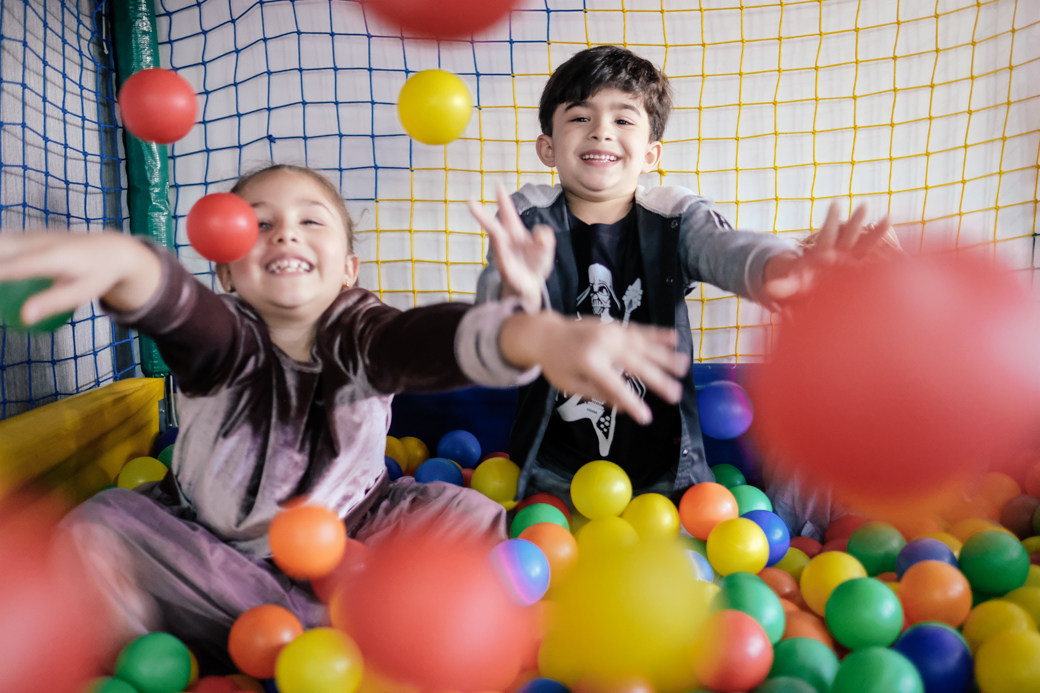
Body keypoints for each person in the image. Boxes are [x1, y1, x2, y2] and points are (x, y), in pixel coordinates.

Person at [0, 164, 687, 670]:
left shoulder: (359, 330)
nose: (283, 232)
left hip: (359, 526)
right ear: (229, 274)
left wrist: (527, 335)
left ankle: (319, 632)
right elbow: (170, 302)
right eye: (258, 222)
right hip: (213, 547)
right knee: (98, 529)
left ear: (349, 267)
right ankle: (329, 634)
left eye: (310, 219)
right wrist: (125, 259)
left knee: (471, 516)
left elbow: (424, 343)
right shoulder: (224, 340)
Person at [469, 45, 894, 512]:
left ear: (651, 154)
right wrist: (517, 300)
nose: (601, 131)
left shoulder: (672, 218)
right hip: (553, 473)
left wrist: (784, 268)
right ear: (547, 147)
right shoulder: (527, 221)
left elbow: (727, 249)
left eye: (623, 120)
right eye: (580, 117)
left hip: (669, 479)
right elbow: (493, 326)